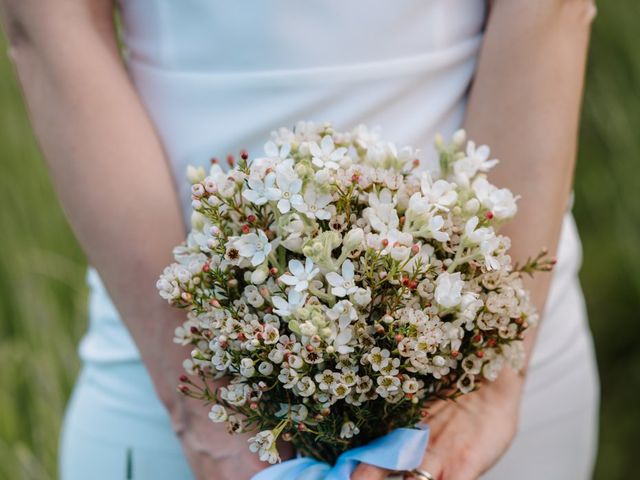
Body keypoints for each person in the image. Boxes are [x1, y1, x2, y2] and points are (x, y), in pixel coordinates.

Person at [0, 0, 599, 478]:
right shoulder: (200, 400)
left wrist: (488, 378)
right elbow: (49, 23)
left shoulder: (488, 376)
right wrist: (200, 412)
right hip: (186, 356)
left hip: (488, 346)